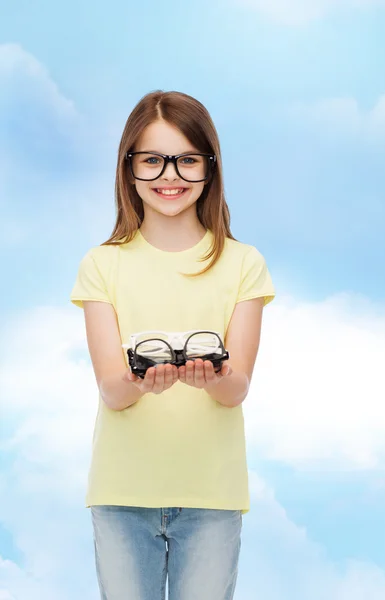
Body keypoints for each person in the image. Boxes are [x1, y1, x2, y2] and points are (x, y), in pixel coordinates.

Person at [70, 90, 275, 600]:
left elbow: (237, 390)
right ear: (129, 167)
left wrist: (216, 376)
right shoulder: (103, 264)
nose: (170, 176)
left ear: (209, 167)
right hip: (122, 493)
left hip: (212, 493)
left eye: (187, 160)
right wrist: (143, 382)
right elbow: (113, 391)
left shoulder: (242, 262)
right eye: (153, 160)